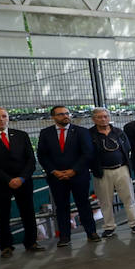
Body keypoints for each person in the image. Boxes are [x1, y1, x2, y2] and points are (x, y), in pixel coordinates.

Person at [0, 107, 43, 256]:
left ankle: (31, 242)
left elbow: (30, 160)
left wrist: (22, 178)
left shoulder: (21, 135)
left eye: (4, 116)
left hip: (23, 181)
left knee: (28, 213)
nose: (1, 119)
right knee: (2, 215)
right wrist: (8, 180)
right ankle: (6, 246)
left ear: (8, 118)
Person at [37, 106, 98, 247]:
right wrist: (53, 171)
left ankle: (92, 233)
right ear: (53, 117)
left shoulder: (81, 131)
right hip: (56, 177)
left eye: (66, 113)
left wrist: (74, 170)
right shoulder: (46, 133)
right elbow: (42, 155)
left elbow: (88, 153)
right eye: (60, 114)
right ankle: (64, 236)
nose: (65, 116)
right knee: (61, 207)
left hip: (78, 176)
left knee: (83, 204)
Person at [89, 107, 135, 236]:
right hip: (102, 172)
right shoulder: (89, 134)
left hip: (121, 168)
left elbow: (127, 147)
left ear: (109, 117)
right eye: (100, 117)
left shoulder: (118, 132)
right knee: (105, 201)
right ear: (93, 119)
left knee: (129, 197)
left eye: (105, 116)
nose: (103, 119)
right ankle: (109, 227)